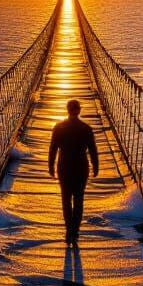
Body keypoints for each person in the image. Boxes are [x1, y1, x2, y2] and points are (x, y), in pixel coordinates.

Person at [48, 99, 99, 247]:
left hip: (64, 168)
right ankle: (75, 232)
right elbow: (93, 150)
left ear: (67, 110)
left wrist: (50, 166)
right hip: (81, 168)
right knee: (78, 200)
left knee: (65, 199)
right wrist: (96, 166)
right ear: (79, 110)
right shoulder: (86, 128)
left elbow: (53, 148)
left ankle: (69, 230)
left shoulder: (58, 127)